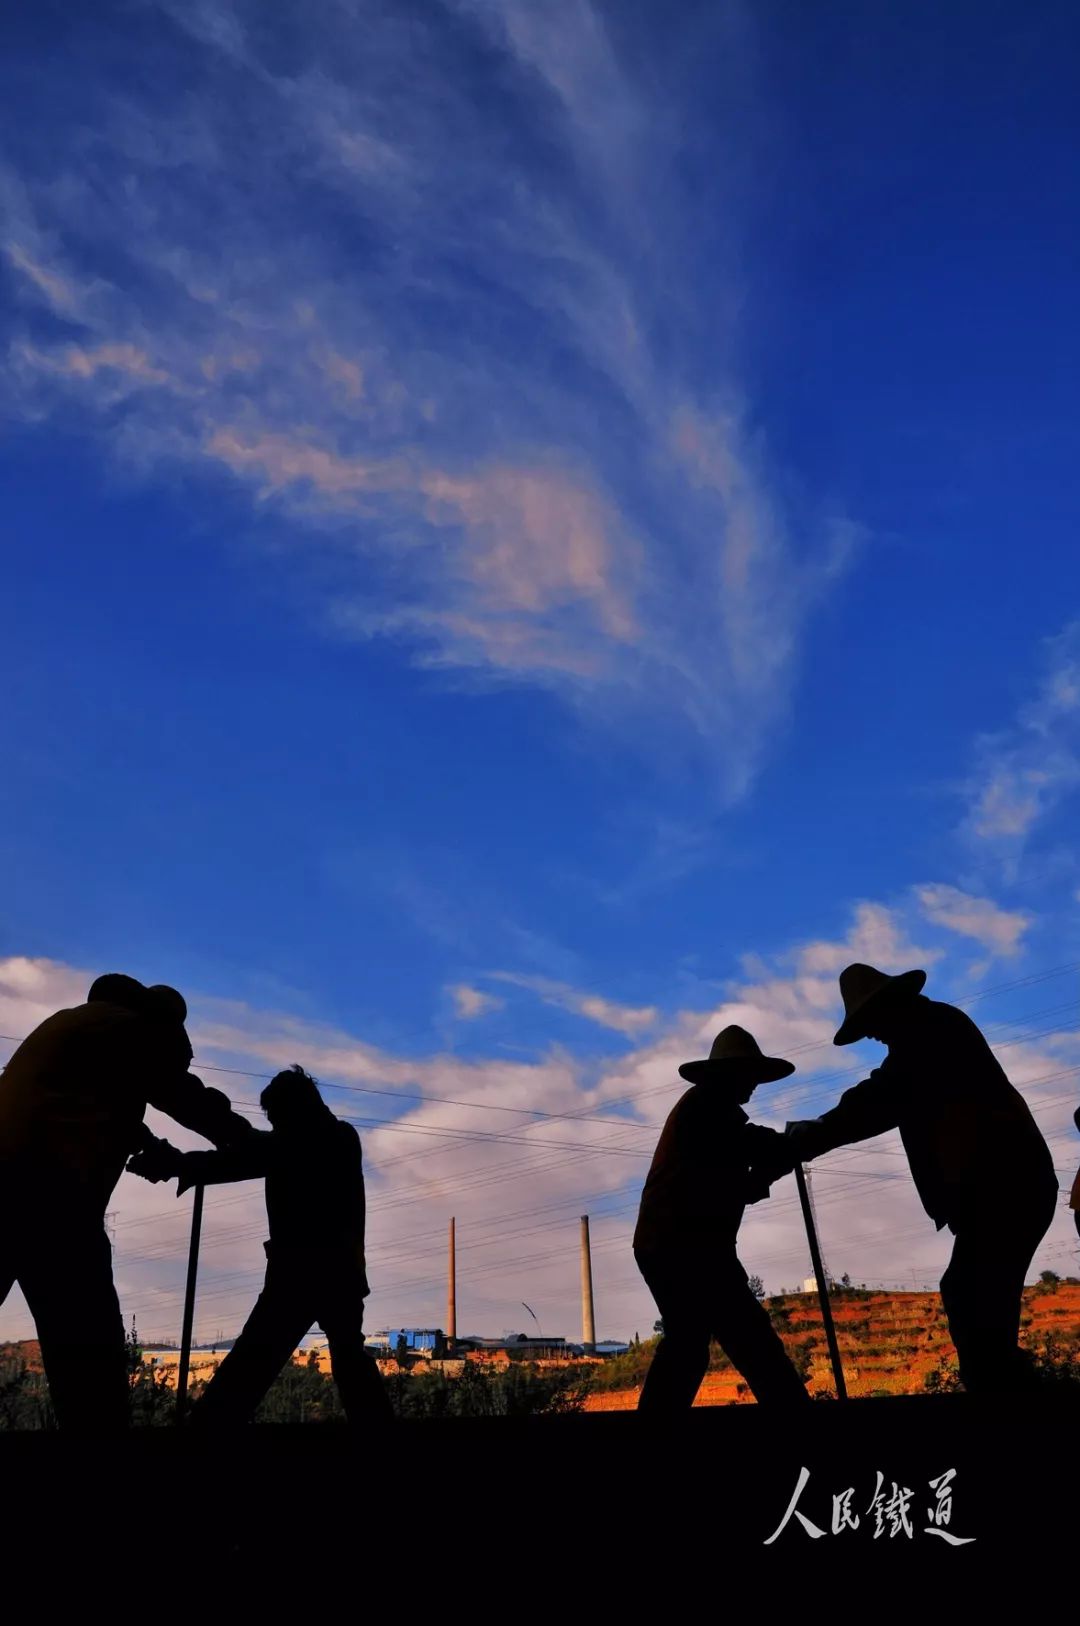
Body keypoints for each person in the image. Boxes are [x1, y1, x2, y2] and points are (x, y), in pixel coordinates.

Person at [784, 962, 1058, 1397]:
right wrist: (816, 1130)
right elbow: (880, 1094)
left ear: (887, 1007)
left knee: (971, 1299)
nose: (870, 1035)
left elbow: (878, 1099)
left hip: (1004, 1186)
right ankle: (1016, 1401)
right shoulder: (931, 1030)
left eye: (868, 1023)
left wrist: (812, 1134)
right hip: (1005, 1186)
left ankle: (1015, 1409)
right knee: (976, 1302)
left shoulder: (929, 1034)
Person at [0, 973, 251, 1430]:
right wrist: (247, 1140)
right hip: (51, 1201)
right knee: (88, 1354)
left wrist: (152, 1147)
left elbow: (98, 1105)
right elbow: (182, 1094)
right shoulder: (129, 1030)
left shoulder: (69, 1028)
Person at [129, 1064, 393, 1427]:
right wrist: (182, 1163)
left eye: (279, 1118)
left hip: (299, 1275)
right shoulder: (337, 1138)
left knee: (251, 1365)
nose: (276, 1127)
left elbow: (255, 1155)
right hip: (340, 1274)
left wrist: (178, 1163)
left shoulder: (315, 1141)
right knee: (346, 1362)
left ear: (295, 1111)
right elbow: (258, 1152)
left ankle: (205, 1431)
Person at [633, 1025, 811, 1412]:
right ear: (728, 1076)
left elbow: (741, 1167)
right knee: (748, 1341)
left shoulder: (714, 1111)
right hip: (684, 1247)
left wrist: (775, 1156)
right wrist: (786, 1147)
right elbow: (745, 1148)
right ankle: (800, 1426)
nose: (754, 1086)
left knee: (692, 1342)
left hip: (682, 1245)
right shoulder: (706, 1110)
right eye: (749, 1077)